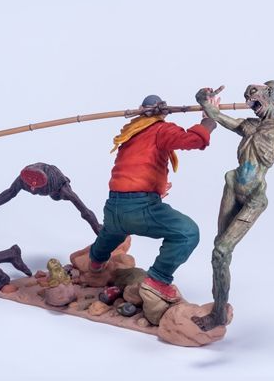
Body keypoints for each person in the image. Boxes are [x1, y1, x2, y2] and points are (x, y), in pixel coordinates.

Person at [88, 94, 216, 302]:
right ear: (162, 112)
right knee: (187, 233)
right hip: (139, 208)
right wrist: (209, 120)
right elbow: (194, 140)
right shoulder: (161, 130)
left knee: (113, 232)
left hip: (113, 208)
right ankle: (158, 280)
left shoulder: (131, 132)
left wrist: (155, 187)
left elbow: (135, 168)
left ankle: (95, 262)